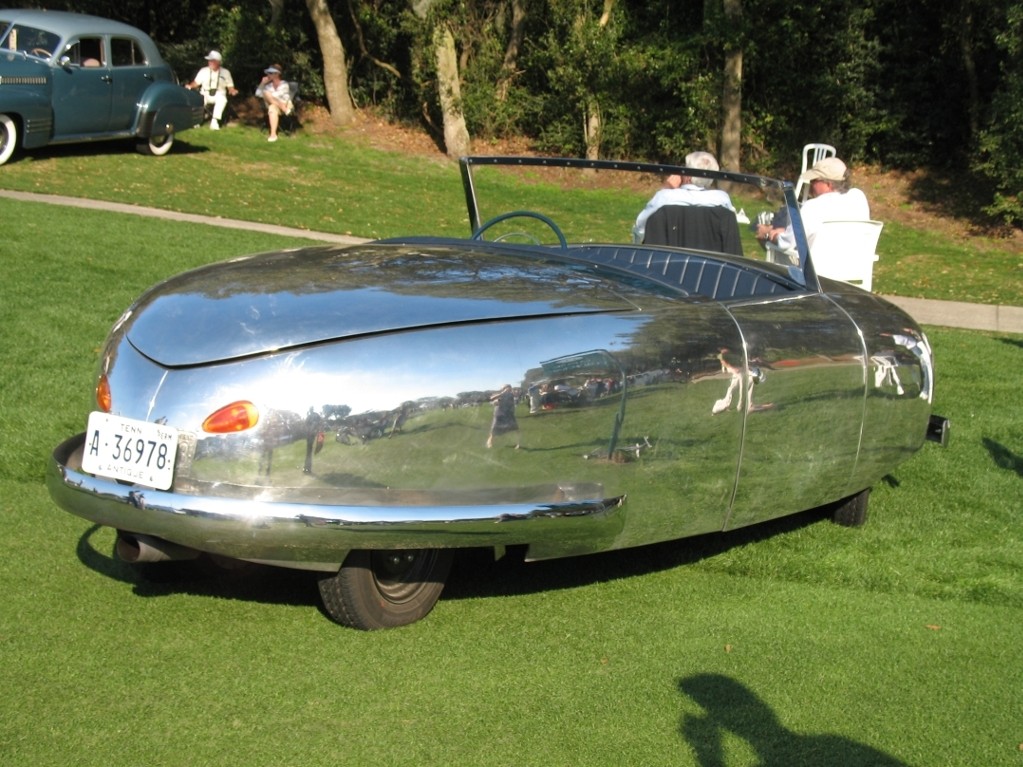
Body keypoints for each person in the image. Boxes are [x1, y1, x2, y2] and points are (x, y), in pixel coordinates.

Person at [632, 151, 735, 243]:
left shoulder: (665, 197)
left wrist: (667, 187)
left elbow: (640, 229)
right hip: (709, 262)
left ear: (687, 175)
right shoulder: (722, 200)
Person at [186, 51, 238, 130]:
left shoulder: (225, 72)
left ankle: (214, 121)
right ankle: (197, 121)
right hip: (205, 93)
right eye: (209, 60)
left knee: (222, 100)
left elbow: (230, 86)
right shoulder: (203, 71)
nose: (209, 62)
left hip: (219, 93)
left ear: (218, 62)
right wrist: (190, 86)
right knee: (199, 100)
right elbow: (196, 82)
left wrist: (232, 91)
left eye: (212, 61)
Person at [255, 64, 294, 143]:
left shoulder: (284, 84)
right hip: (277, 107)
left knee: (266, 94)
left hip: (285, 104)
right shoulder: (268, 86)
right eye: (268, 73)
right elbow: (257, 94)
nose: (268, 75)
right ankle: (273, 134)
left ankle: (283, 108)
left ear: (277, 74)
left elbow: (278, 96)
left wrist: (267, 95)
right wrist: (262, 83)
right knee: (271, 106)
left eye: (270, 73)